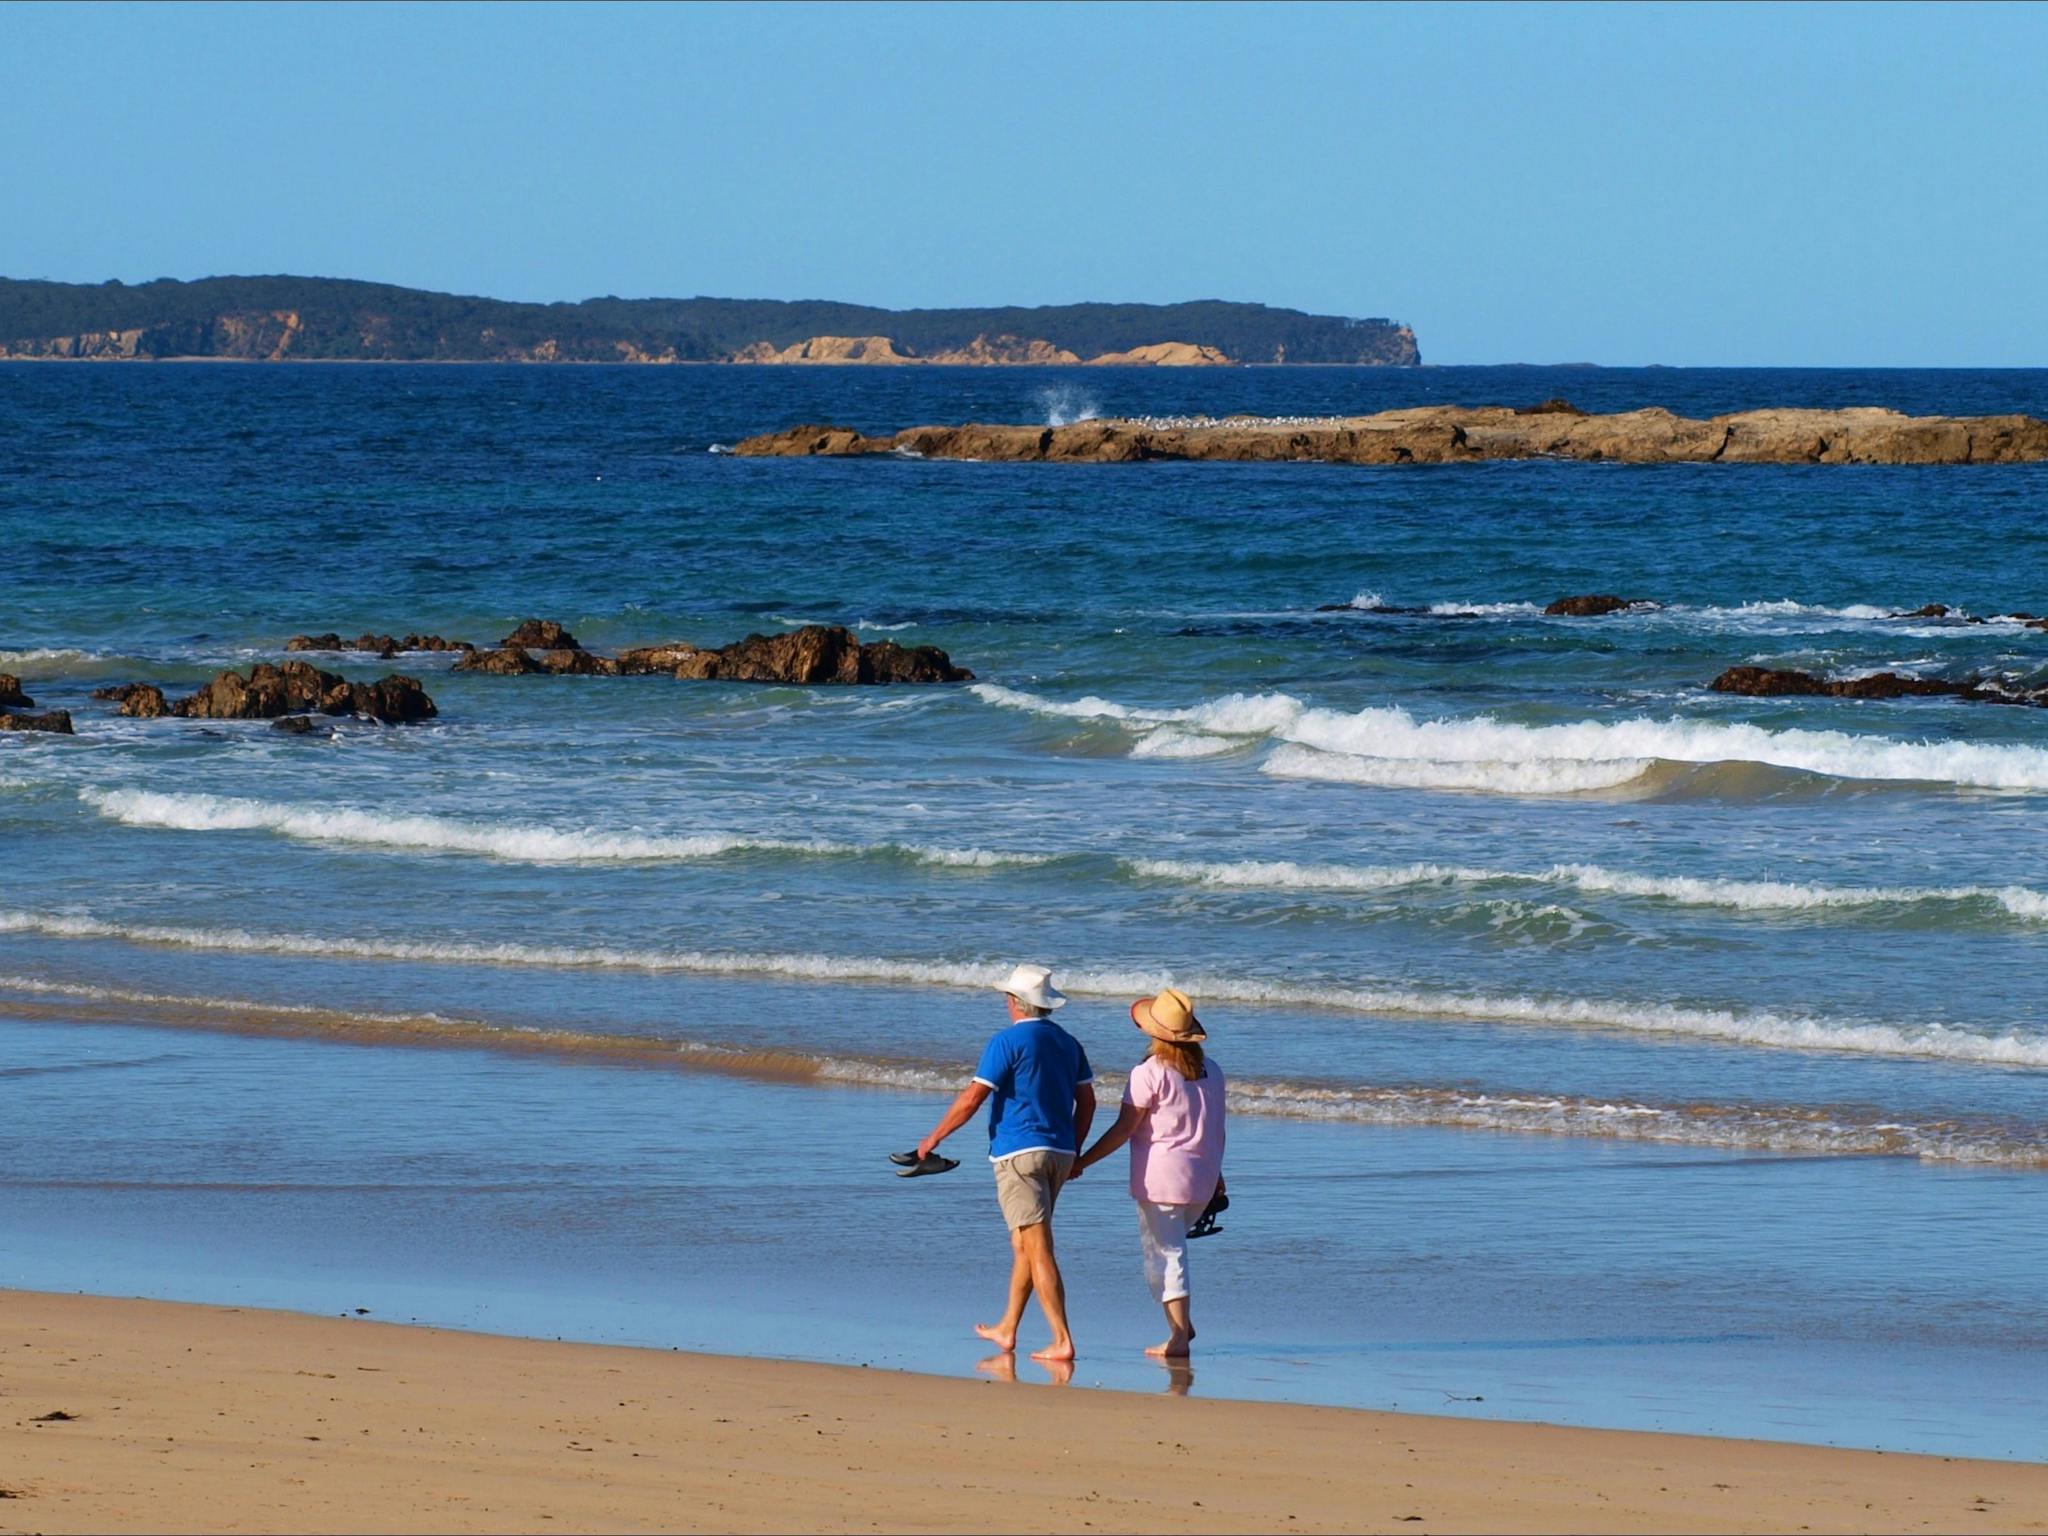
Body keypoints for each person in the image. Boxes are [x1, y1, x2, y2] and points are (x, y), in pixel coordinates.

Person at [913, 962, 1095, 1362]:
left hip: (1018, 1153)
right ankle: (1008, 1327)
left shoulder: (1006, 1041)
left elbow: (972, 1098)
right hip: (1060, 1152)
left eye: (1007, 997)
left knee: (1039, 1245)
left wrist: (933, 1138)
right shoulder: (1068, 1042)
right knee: (1024, 1244)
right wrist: (1076, 1148)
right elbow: (1088, 1102)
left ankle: (1062, 1339)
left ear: (1016, 1002)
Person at [1072, 987, 1224, 1359]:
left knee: (1168, 1254)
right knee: (1165, 1251)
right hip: (1203, 1177)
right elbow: (1218, 1127)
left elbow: (1124, 1129)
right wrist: (1219, 1174)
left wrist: (1082, 1161)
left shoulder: (1149, 1072)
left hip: (1163, 1179)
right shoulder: (1212, 1071)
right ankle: (1180, 1323)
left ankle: (1178, 1336)